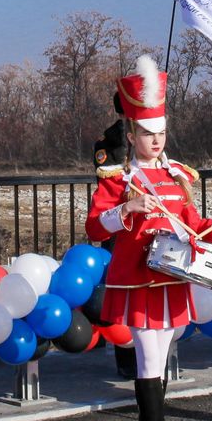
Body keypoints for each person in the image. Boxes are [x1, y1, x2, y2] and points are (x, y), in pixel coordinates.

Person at [85, 57, 212, 421]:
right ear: (132, 135)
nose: (157, 141)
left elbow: (191, 222)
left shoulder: (176, 176)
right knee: (151, 359)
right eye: (149, 134)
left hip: (173, 277)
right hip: (138, 279)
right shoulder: (117, 178)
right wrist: (127, 209)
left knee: (162, 357)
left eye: (162, 134)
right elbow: (95, 226)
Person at [92, 91, 139, 379]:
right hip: (119, 231)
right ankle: (127, 358)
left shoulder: (152, 138)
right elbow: (107, 177)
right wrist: (125, 142)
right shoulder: (107, 143)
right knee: (122, 294)